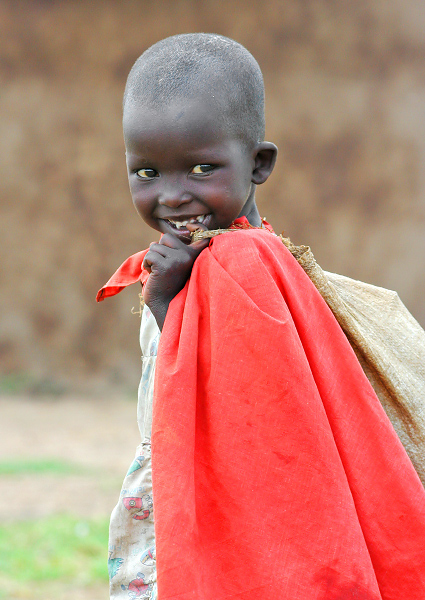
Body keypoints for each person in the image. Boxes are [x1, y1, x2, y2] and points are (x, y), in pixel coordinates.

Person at [97, 34, 425, 600]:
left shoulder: (243, 264)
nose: (172, 196)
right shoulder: (206, 257)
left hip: (227, 498)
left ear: (259, 164)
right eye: (146, 173)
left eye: (201, 168)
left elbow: (239, 404)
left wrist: (165, 303)